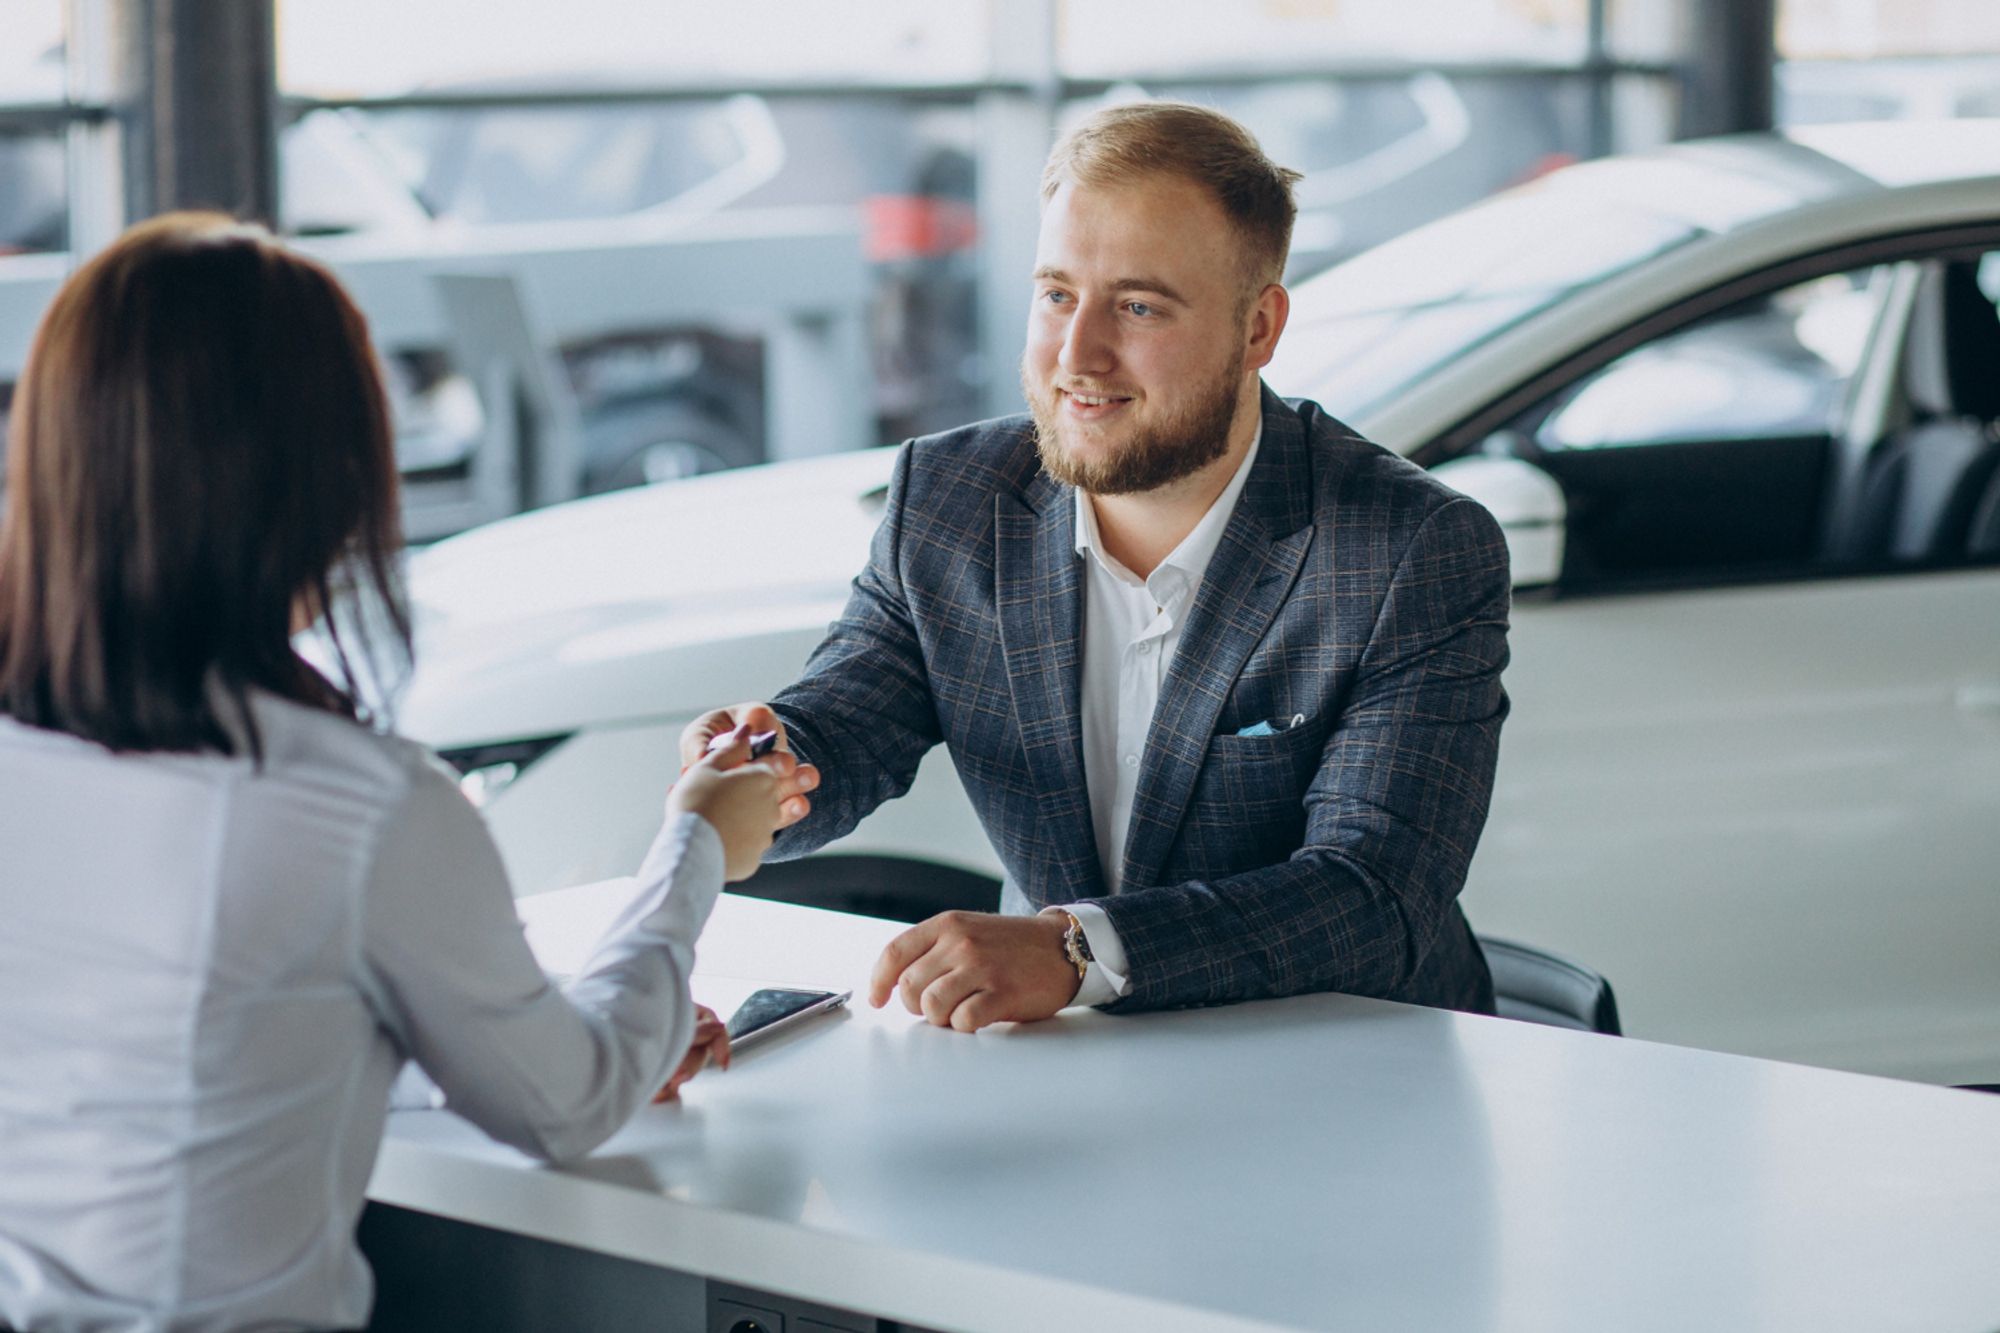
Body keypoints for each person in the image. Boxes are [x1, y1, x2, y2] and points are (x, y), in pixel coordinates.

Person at [0, 213, 816, 1332]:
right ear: (323, 477)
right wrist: (694, 848)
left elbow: (188, 1048)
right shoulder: (351, 805)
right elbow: (567, 1100)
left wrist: (468, 1040)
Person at [683, 102, 1510, 1032]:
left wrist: (1076, 951)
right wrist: (773, 764)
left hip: (1352, 1072)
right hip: (1076, 1067)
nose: (1079, 355)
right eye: (1057, 295)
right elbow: (848, 721)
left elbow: (1375, 898)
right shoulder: (951, 498)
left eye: (1138, 305)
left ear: (1258, 329)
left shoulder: (1412, 549)